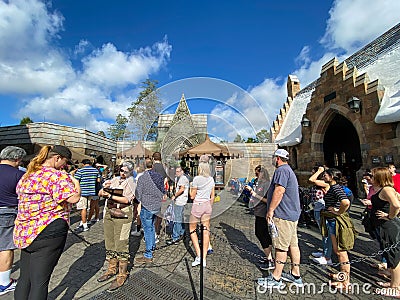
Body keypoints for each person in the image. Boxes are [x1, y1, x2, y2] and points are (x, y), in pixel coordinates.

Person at [13, 145, 81, 299]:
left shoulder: (28, 174)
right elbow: (74, 198)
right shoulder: (56, 176)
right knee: (39, 282)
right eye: (65, 162)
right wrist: (75, 182)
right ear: (57, 158)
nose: (65, 166)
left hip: (25, 232)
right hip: (48, 231)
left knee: (25, 278)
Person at [259, 149, 302, 288]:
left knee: (281, 247)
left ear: (277, 158)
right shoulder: (288, 170)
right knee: (292, 245)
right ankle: (296, 274)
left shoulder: (281, 170)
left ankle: (276, 278)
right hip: (291, 215)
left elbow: (279, 190)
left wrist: (271, 210)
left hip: (283, 215)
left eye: (273, 158)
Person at [97, 161, 136, 291]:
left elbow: (127, 199)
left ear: (130, 171)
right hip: (109, 211)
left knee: (121, 243)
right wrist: (104, 189)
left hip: (123, 213)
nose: (122, 173)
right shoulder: (114, 180)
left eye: (125, 171)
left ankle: (122, 274)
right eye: (121, 170)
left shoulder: (132, 182)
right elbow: (100, 193)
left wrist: (110, 195)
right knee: (110, 241)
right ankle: (111, 269)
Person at [320, 168, 356, 290]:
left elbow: (345, 202)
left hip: (336, 222)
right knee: (338, 251)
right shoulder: (334, 187)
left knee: (341, 252)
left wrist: (338, 212)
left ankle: (346, 282)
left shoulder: (336, 188)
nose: (323, 176)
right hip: (332, 221)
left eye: (325, 174)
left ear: (332, 176)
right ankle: (342, 276)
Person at [0, 146, 26, 296]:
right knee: (6, 247)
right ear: (17, 159)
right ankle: (4, 283)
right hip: (7, 212)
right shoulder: (19, 175)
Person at [370, 167, 400, 294]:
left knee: (393, 257)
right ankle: (394, 282)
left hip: (388, 226)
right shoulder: (385, 189)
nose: (370, 178)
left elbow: (397, 205)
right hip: (383, 226)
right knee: (391, 256)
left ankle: (395, 288)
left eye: (372, 175)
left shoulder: (386, 189)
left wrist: (390, 216)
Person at [135, 158, 166, 264]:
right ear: (152, 166)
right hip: (157, 205)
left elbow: (138, 194)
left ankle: (148, 254)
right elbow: (163, 191)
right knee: (151, 227)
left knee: (148, 229)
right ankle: (151, 247)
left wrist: (137, 203)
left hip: (147, 206)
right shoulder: (159, 177)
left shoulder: (142, 178)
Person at [245, 166, 274, 271]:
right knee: (263, 234)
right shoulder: (260, 184)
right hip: (258, 212)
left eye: (257, 174)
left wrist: (254, 194)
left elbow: (268, 200)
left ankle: (270, 259)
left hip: (263, 213)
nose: (256, 176)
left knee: (261, 233)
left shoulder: (267, 184)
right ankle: (268, 257)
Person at [189, 154, 215, 268]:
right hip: (207, 205)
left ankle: (198, 255)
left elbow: (192, 196)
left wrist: (190, 187)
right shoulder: (211, 179)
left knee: (192, 229)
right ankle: (204, 258)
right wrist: (210, 206)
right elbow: (212, 196)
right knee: (206, 230)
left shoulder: (196, 179)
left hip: (198, 205)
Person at [308, 166, 333, 265]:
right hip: (317, 207)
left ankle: (327, 257)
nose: (312, 173)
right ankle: (325, 252)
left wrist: (319, 171)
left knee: (326, 233)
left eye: (313, 172)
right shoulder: (320, 183)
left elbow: (311, 180)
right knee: (323, 233)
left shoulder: (325, 183)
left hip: (322, 208)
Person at [74, 159, 101, 233]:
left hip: (82, 191)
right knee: (87, 208)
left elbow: (76, 181)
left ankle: (85, 225)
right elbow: (98, 181)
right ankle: (82, 222)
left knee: (83, 208)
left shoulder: (80, 171)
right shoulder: (95, 170)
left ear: (83, 164)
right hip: (91, 191)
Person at [166, 166, 189, 245]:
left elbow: (182, 189)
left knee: (177, 218)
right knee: (180, 217)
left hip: (180, 201)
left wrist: (174, 195)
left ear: (182, 171)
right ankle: (182, 232)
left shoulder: (183, 179)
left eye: (178, 171)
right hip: (180, 200)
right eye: (176, 171)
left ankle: (175, 237)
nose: (177, 173)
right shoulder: (178, 178)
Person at [152, 152, 168, 243]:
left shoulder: (153, 167)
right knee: (159, 212)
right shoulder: (164, 167)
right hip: (161, 192)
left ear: (153, 158)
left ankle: (153, 234)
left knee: (152, 213)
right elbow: (166, 180)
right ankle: (156, 233)